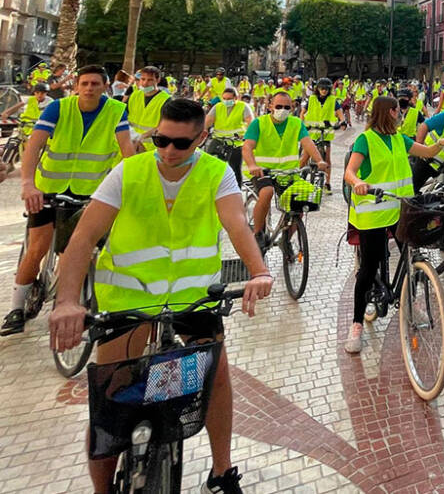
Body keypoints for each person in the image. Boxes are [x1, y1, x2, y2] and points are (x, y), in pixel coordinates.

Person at [48, 97, 272, 494]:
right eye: (162, 140)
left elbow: (237, 225)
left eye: (181, 144)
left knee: (216, 377)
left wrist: (259, 271)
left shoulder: (217, 174)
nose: (169, 151)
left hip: (193, 298)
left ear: (201, 138)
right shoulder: (127, 172)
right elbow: (83, 238)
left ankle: (222, 473)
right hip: (128, 300)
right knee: (111, 399)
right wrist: (67, 301)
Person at [2, 66, 136, 336]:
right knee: (37, 248)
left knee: (75, 251)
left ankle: (69, 303)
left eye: (95, 84)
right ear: (76, 85)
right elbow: (35, 146)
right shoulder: (58, 108)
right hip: (47, 190)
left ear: (105, 87)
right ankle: (16, 308)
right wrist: (28, 184)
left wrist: (130, 187)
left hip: (90, 194)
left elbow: (127, 154)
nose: (89, 88)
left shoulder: (115, 111)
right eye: (84, 83)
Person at [343, 95, 444, 354]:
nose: (401, 114)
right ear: (389, 112)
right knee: (368, 269)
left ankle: (409, 302)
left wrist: (439, 145)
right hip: (372, 213)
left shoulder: (399, 139)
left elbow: (424, 151)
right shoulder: (365, 140)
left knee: (410, 253)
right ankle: (357, 323)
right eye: (397, 110)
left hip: (399, 210)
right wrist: (357, 182)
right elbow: (350, 171)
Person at [240, 91, 328, 246]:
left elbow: (307, 143)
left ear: (292, 108)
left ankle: (285, 241)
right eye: (279, 106)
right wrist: (252, 165)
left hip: (288, 173)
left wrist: (320, 161)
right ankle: (258, 232)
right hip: (263, 171)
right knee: (266, 192)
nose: (283, 110)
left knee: (300, 202)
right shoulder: (258, 123)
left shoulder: (296, 123)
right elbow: (247, 147)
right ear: (270, 106)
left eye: (287, 107)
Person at [302, 78, 345, 191]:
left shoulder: (333, 100)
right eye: (322, 88)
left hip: (326, 133)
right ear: (318, 89)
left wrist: (342, 122)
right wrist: (302, 124)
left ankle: (327, 183)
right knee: (305, 156)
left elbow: (340, 113)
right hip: (311, 133)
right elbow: (303, 112)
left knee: (327, 159)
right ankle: (295, 178)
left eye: (326, 89)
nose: (324, 91)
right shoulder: (311, 99)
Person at [205, 87, 253, 185]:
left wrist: (247, 136)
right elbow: (207, 121)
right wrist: (203, 131)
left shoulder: (243, 107)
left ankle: (237, 191)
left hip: (236, 142)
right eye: (224, 99)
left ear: (236, 98)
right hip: (218, 139)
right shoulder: (218, 106)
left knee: (235, 168)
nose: (226, 101)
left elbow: (251, 123)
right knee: (209, 164)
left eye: (229, 99)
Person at [125, 66, 171, 151]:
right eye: (143, 79)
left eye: (150, 80)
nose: (145, 83)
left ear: (157, 80)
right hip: (131, 144)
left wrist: (140, 138)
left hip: (151, 148)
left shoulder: (166, 100)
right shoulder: (134, 95)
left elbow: (165, 125)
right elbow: (124, 118)